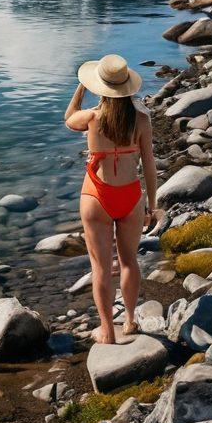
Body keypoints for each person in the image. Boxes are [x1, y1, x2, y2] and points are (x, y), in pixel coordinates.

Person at [64, 54, 160, 344]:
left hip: (96, 196)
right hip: (130, 196)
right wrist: (152, 205)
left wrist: (81, 87)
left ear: (101, 87)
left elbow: (69, 118)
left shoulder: (92, 117)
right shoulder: (141, 119)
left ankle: (107, 331)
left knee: (101, 268)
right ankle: (130, 321)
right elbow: (150, 163)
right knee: (129, 261)